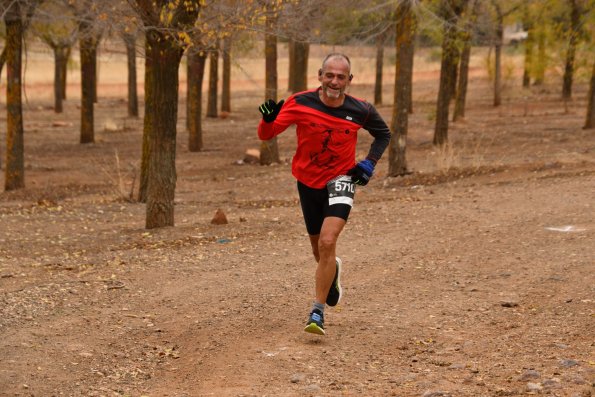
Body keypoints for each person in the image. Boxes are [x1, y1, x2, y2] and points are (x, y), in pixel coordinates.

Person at [257, 53, 391, 335]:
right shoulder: (300, 102)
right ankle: (332, 273)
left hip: (341, 180)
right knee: (320, 250)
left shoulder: (361, 109)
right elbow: (266, 135)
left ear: (349, 80)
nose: (335, 81)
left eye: (341, 77)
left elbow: (384, 134)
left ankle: (317, 312)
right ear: (319, 75)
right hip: (307, 182)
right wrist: (268, 121)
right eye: (330, 75)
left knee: (328, 242)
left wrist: (369, 162)